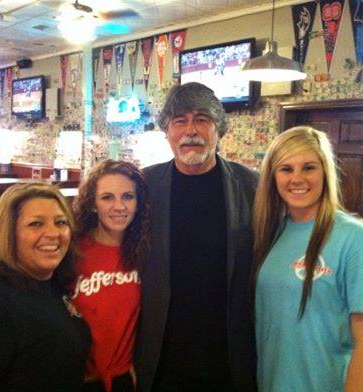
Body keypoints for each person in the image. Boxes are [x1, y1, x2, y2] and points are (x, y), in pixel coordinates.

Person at [134, 82, 258, 391]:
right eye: (180, 121)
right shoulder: (144, 185)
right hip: (162, 351)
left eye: (202, 119)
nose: (192, 130)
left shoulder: (251, 186)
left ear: (219, 130)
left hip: (229, 352)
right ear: (167, 133)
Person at [252, 126, 363, 392]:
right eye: (286, 169)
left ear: (325, 171)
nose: (297, 178)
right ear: (272, 176)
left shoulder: (357, 240)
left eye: (308, 167)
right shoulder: (271, 232)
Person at [0, 183, 91, 391]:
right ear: (7, 233)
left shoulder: (51, 286)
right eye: (36, 224)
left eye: (60, 222)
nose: (53, 233)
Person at [71, 160, 149, 392]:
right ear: (93, 204)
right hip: (74, 379)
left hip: (122, 379)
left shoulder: (146, 254)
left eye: (127, 197)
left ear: (138, 203)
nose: (119, 206)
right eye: (107, 198)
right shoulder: (71, 250)